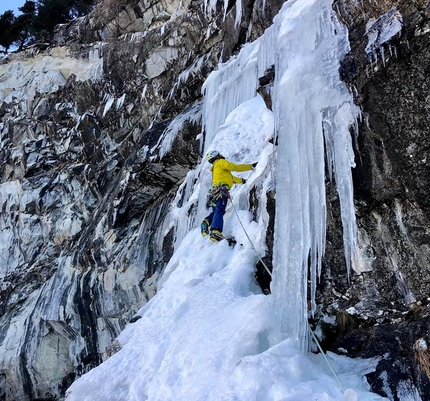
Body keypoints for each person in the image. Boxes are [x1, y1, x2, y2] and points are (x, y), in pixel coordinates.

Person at [201, 150, 257, 242]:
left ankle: (206, 222)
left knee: (217, 211)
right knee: (220, 210)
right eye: (219, 154)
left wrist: (242, 181)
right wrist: (251, 166)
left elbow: (231, 179)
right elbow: (234, 167)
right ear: (216, 156)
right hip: (221, 191)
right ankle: (215, 232)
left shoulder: (217, 168)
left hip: (215, 193)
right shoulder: (220, 162)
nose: (221, 154)